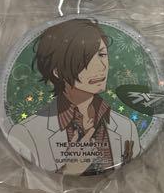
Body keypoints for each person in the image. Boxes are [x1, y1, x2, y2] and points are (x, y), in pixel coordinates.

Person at [7, 19, 140, 175]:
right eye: (85, 59)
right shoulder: (25, 133)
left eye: (102, 55)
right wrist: (68, 170)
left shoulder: (127, 127)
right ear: (57, 71)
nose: (102, 66)